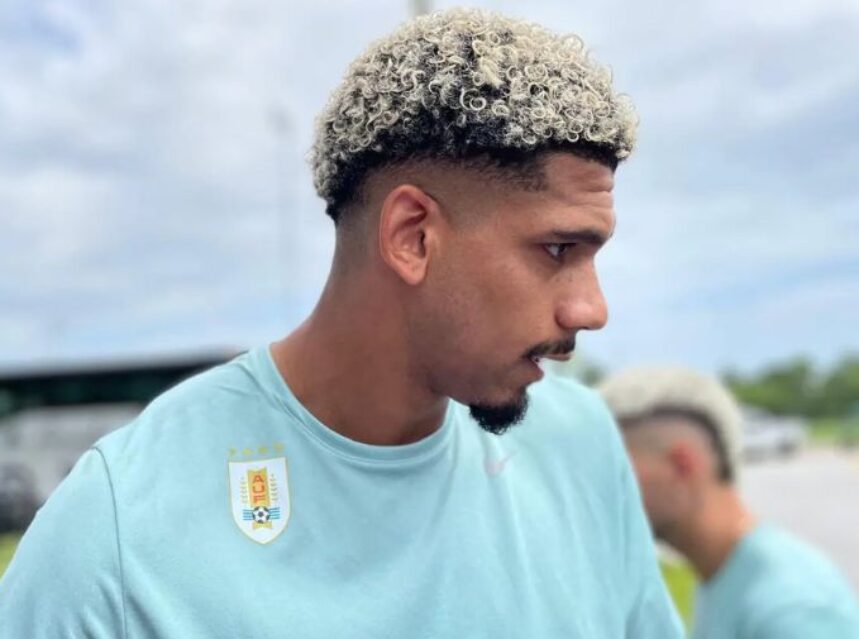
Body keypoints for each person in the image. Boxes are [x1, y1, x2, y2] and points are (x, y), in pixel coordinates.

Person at [0, 9, 683, 637]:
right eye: (558, 249)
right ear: (412, 236)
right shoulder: (115, 538)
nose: (590, 308)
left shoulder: (581, 449)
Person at [599, 366, 859, 638]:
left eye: (615, 470)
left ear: (681, 465)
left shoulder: (790, 610)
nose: (598, 491)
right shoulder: (724, 572)